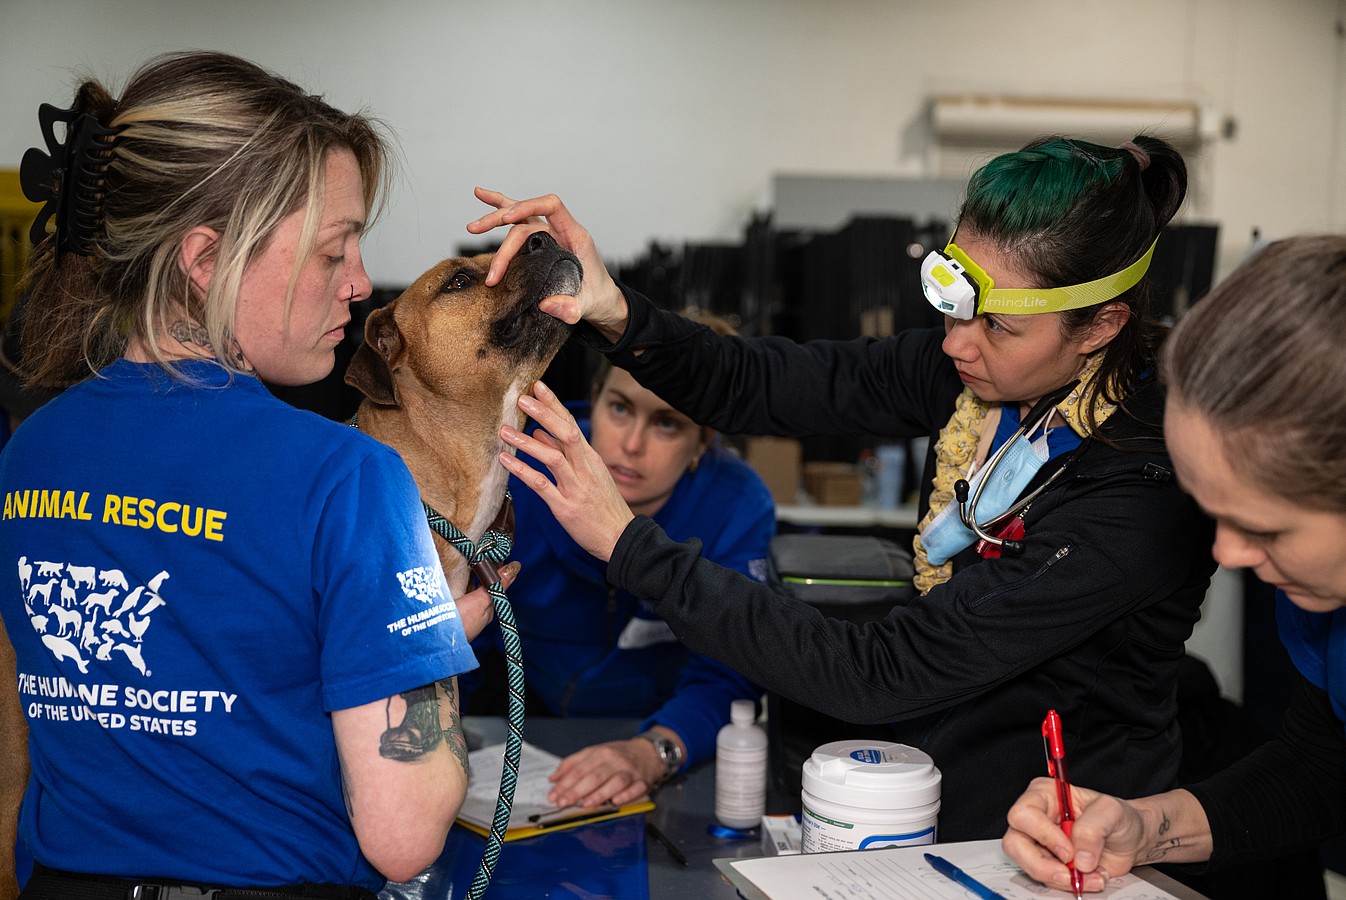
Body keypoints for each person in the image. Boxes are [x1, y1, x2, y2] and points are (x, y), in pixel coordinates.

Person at [466, 133, 1219, 842]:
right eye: (956, 308)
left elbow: (882, 671)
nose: (956, 342)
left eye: (998, 328)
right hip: (940, 801)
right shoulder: (982, 371)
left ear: (1100, 325)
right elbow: (761, 381)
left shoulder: (1138, 491)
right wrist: (616, 311)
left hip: (1070, 834)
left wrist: (630, 546)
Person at [0, 51, 498, 898]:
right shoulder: (348, 478)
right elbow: (404, 834)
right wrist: (424, 654)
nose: (358, 284)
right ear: (205, 260)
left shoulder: (30, 453)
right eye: (332, 250)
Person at [1001, 234, 1346, 893]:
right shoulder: (1321, 597)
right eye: (1212, 511)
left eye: (1265, 526)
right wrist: (1141, 825)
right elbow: (1320, 768)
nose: (1228, 554)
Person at [465, 308, 773, 810]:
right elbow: (465, 631)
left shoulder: (736, 505)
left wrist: (654, 751)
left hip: (663, 728)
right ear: (597, 397)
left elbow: (730, 667)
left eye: (668, 423)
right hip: (523, 726)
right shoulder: (519, 473)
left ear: (703, 442)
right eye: (620, 408)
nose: (631, 446)